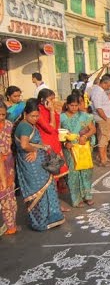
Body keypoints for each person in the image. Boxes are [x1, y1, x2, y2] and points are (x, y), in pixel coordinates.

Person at [14, 98, 64, 231]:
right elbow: (25, 145)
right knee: (38, 190)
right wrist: (34, 149)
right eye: (33, 116)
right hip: (31, 164)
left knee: (47, 188)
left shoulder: (29, 124)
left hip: (37, 163)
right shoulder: (24, 126)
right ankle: (40, 220)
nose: (35, 118)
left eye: (37, 116)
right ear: (25, 114)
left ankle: (50, 217)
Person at [60, 94, 96, 207]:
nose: (74, 108)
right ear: (67, 105)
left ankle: (87, 196)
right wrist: (65, 143)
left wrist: (85, 136)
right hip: (70, 149)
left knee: (86, 171)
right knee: (73, 173)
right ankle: (76, 199)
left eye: (76, 105)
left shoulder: (84, 116)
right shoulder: (62, 117)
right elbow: (59, 134)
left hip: (83, 147)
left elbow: (93, 129)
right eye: (72, 105)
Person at [0, 101, 17, 235]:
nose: (1, 117)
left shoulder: (9, 125)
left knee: (9, 194)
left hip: (8, 164)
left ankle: (11, 224)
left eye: (3, 114)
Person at [90, 75, 110, 166]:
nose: (109, 87)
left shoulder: (100, 91)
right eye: (108, 85)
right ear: (104, 83)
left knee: (105, 138)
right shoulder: (97, 91)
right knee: (103, 139)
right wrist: (105, 118)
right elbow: (98, 107)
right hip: (103, 118)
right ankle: (102, 160)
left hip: (105, 117)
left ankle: (104, 157)